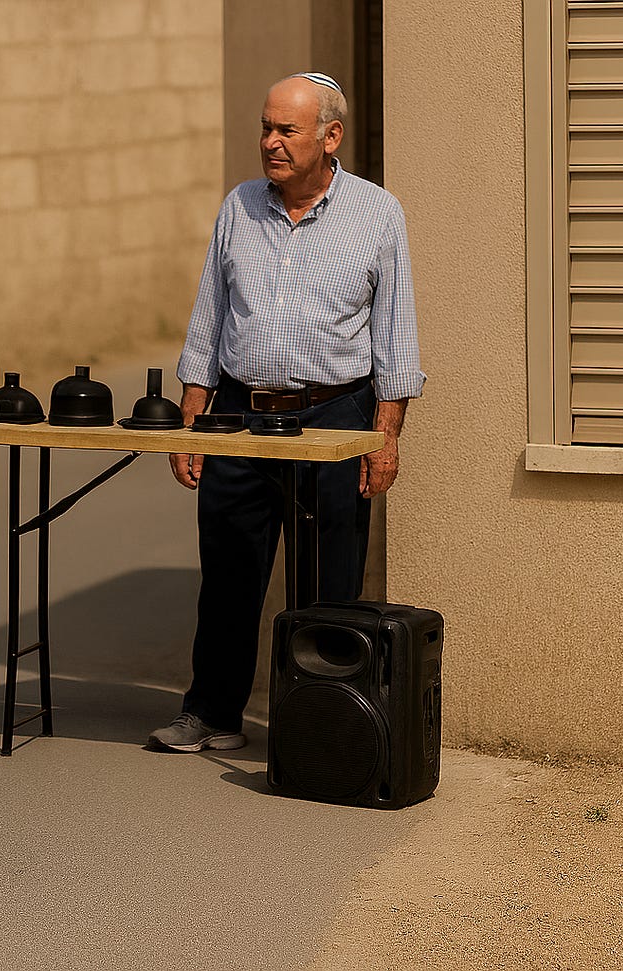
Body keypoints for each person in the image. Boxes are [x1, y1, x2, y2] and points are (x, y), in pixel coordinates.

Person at [148, 72, 424, 753]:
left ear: (331, 137)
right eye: (266, 128)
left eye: (286, 130)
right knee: (230, 571)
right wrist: (193, 420)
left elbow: (395, 337)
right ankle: (211, 711)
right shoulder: (239, 208)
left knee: (331, 582)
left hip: (335, 415)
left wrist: (383, 437)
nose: (270, 141)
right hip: (240, 416)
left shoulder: (377, 213)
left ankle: (323, 724)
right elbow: (208, 320)